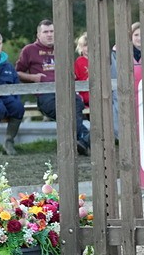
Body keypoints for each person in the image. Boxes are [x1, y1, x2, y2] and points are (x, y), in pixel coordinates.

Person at [17, 19, 91, 154]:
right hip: (45, 95)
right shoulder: (29, 50)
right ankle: (87, 138)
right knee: (63, 111)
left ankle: (82, 142)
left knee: (77, 105)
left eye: (52, 31)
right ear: (38, 34)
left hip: (66, 91)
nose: (49, 34)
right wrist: (33, 78)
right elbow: (17, 73)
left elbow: (71, 71)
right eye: (46, 32)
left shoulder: (62, 49)